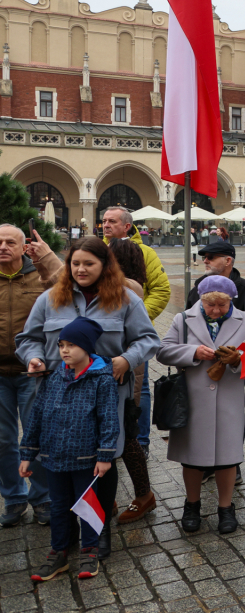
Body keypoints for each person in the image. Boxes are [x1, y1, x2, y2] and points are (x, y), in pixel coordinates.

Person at [16, 237, 159, 560]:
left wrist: (126, 359)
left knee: (102, 467)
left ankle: (100, 531)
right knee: (62, 467)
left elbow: (149, 339)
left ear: (105, 266)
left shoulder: (124, 298)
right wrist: (35, 357)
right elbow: (27, 338)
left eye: (89, 264)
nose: (81, 269)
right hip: (58, 398)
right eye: (75, 263)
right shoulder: (51, 298)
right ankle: (66, 534)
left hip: (105, 397)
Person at [157, 276, 245, 533]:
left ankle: (226, 507)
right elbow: (163, 351)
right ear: (201, 300)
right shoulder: (183, 319)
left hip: (228, 399)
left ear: (231, 301)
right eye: (210, 304)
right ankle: (192, 505)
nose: (215, 310)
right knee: (192, 458)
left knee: (227, 458)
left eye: (221, 305)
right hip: (193, 400)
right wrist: (192, 353)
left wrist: (237, 359)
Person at [19, 317, 117, 581]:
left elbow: (108, 418)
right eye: (61, 344)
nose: (64, 350)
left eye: (72, 344)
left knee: (87, 505)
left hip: (86, 458)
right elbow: (37, 415)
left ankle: (89, 549)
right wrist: (28, 454)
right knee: (59, 506)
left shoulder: (101, 380)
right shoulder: (53, 378)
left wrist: (105, 455)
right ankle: (59, 552)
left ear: (87, 348)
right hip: (53, 458)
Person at [0, 224, 60, 528]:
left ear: (25, 247)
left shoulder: (41, 276)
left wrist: (48, 257)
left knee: (35, 437)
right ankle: (13, 498)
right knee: (3, 440)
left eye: (10, 242)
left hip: (32, 371)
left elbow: (70, 291)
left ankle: (42, 498)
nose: (2, 247)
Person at [100, 207, 169, 460]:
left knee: (141, 387)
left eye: (112, 221)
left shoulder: (146, 252)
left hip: (134, 335)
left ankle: (140, 440)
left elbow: (161, 290)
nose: (106, 225)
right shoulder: (97, 250)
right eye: (104, 221)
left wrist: (138, 319)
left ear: (127, 226)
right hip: (101, 333)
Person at [105, 239, 157, 524]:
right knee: (115, 438)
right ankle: (109, 494)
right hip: (118, 375)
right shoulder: (129, 284)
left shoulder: (127, 288)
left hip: (122, 376)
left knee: (126, 439)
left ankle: (143, 495)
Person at [185, 240, 245, 311]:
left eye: (210, 257)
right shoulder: (197, 289)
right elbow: (188, 319)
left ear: (228, 261)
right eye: (204, 257)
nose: (205, 261)